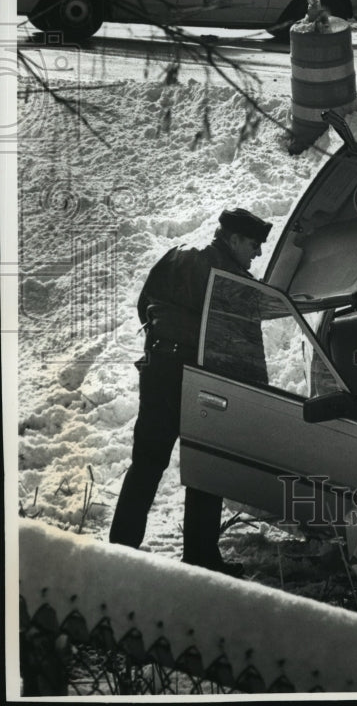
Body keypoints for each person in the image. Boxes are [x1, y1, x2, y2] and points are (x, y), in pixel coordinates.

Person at [109, 207, 272, 574]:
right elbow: (243, 343)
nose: (258, 252)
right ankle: (201, 559)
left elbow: (144, 305)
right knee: (205, 467)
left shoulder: (177, 255)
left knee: (146, 463)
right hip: (200, 379)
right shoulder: (231, 280)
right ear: (234, 239)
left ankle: (119, 552)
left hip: (158, 370)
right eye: (253, 244)